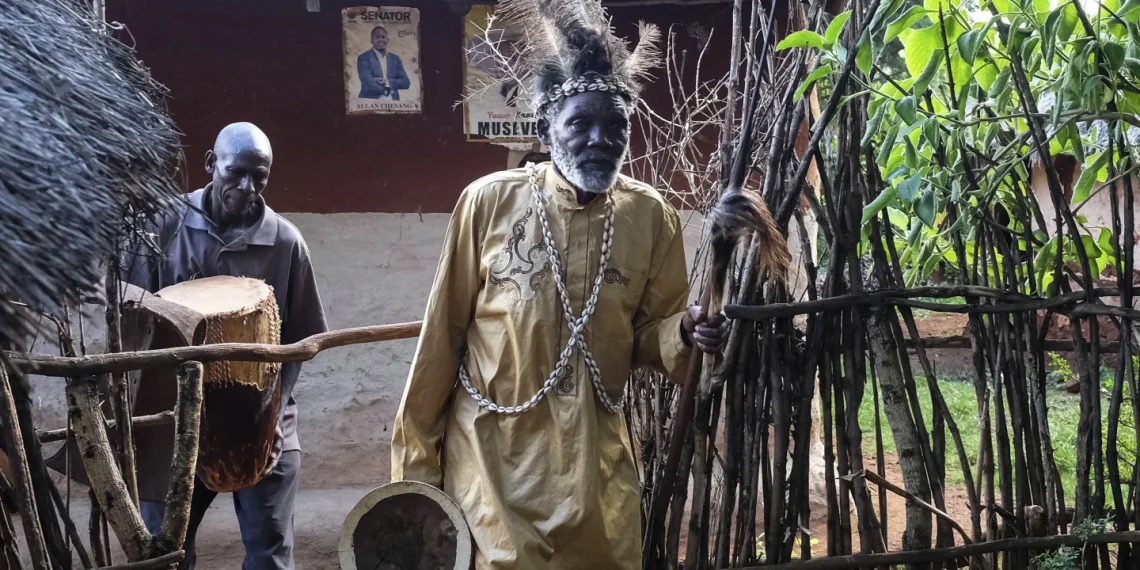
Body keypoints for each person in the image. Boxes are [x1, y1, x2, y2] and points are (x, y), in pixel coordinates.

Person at [390, 3, 731, 569]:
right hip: (494, 471)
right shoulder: (489, 202)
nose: (600, 139)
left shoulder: (651, 217)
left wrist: (686, 330)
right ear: (549, 129)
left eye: (615, 125)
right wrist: (415, 477)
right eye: (580, 123)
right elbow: (440, 344)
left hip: (597, 476)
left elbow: (653, 334)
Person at [122, 122, 327, 570]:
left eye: (260, 176)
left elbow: (303, 337)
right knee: (165, 552)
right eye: (237, 172)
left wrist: (273, 413)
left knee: (269, 551)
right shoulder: (164, 225)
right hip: (173, 421)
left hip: (261, 418)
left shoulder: (286, 242)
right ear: (212, 163)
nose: (248, 187)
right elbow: (131, 321)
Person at [357, 26, 410, 100]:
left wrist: (386, 81)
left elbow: (406, 83)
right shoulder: (364, 57)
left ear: (388, 40)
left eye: (383, 37)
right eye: (377, 37)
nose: (380, 40)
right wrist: (387, 91)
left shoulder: (395, 59)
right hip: (370, 102)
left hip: (393, 102)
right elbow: (367, 83)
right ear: (371, 40)